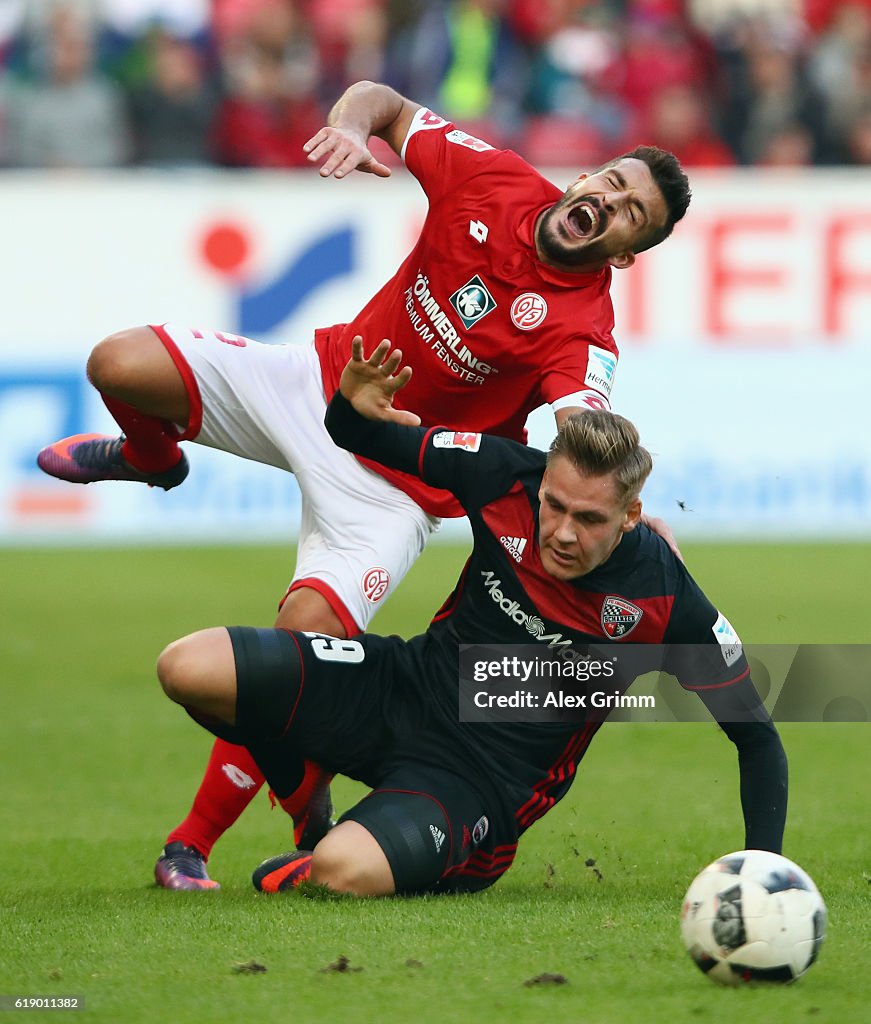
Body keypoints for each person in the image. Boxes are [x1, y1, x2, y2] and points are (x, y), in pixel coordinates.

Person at [36, 79, 692, 889]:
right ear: (586, 176)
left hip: (394, 491)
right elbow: (380, 99)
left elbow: (580, 436)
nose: (611, 200)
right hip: (316, 384)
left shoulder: (583, 333)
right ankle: (152, 460)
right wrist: (350, 128)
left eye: (631, 213)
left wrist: (632, 510)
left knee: (292, 643)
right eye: (613, 181)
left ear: (626, 252)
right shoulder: (494, 176)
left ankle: (192, 844)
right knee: (118, 363)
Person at [156, 339, 787, 897]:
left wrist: (763, 870)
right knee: (188, 667)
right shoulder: (500, 472)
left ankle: (342, 848)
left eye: (590, 519)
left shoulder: (664, 596)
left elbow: (756, 736)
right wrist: (350, 403)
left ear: (630, 515)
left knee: (340, 871)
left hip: (476, 782)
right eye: (554, 506)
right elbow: (362, 434)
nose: (563, 534)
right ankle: (312, 808)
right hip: (401, 686)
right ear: (542, 481)